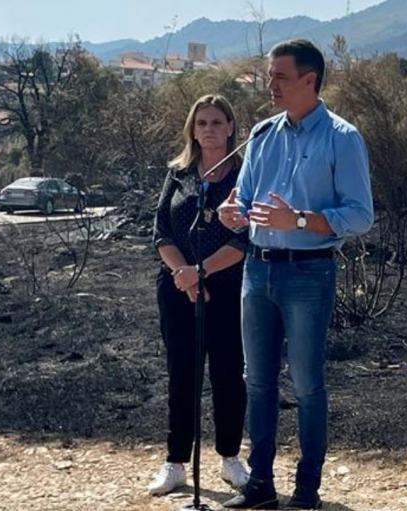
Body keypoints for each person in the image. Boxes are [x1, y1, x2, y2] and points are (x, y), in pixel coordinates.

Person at [217, 39, 374, 510]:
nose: (271, 85)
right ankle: (260, 484)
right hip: (257, 270)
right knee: (257, 382)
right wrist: (233, 212)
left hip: (309, 273)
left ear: (311, 80)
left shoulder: (343, 138)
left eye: (280, 77)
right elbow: (243, 199)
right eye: (269, 76)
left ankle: (307, 488)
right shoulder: (263, 133)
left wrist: (300, 220)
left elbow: (361, 215)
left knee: (306, 384)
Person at [149, 94, 251, 496]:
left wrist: (202, 273)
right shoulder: (178, 173)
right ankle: (176, 463)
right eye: (201, 122)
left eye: (217, 122)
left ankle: (229, 457)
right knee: (182, 374)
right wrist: (186, 277)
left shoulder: (244, 175)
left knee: (228, 374)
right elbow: (161, 231)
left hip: (226, 289)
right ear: (192, 129)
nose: (209, 129)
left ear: (230, 128)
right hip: (177, 288)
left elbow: (244, 237)